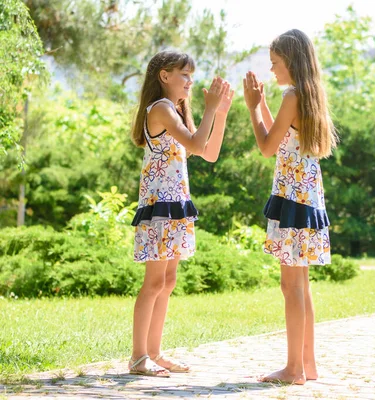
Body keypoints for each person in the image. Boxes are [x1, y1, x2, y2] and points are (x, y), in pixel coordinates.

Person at [128, 50, 233, 377]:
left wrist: (222, 113)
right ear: (164, 76)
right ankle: (137, 357)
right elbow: (197, 143)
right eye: (184, 75)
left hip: (176, 205)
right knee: (154, 281)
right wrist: (210, 109)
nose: (190, 81)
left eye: (191, 75)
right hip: (160, 205)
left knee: (168, 280)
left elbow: (209, 152)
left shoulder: (175, 111)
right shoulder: (160, 109)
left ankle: (155, 352)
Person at [243, 29, 337, 385]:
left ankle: (294, 369)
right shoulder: (307, 96)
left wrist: (253, 108)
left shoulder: (293, 96)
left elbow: (267, 146)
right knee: (301, 286)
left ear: (291, 61)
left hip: (293, 201)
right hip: (307, 199)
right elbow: (283, 135)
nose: (272, 70)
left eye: (276, 63)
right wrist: (264, 104)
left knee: (291, 287)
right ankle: (307, 365)